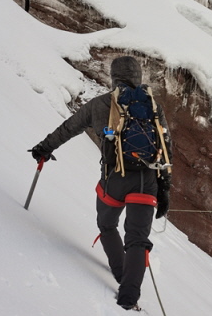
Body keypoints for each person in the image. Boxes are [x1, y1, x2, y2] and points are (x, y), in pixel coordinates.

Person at [29, 56, 172, 311]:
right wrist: (164, 189)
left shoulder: (98, 105)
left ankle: (120, 272)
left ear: (114, 77)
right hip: (146, 181)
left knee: (107, 225)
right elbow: (165, 147)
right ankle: (129, 297)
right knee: (137, 239)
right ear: (138, 77)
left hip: (114, 179)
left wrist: (44, 148)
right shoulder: (152, 106)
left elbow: (68, 128)